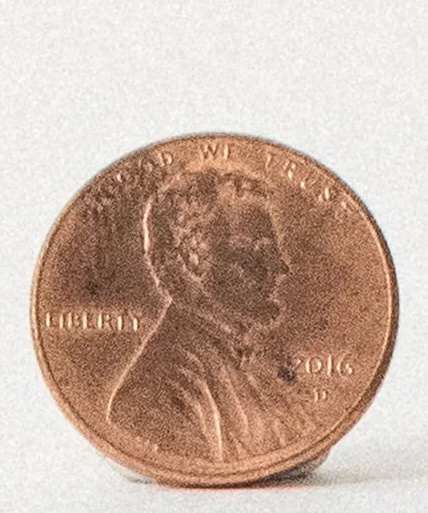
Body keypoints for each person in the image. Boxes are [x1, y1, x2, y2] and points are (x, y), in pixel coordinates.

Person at [111, 165, 305, 467]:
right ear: (193, 258)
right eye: (257, 252)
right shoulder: (154, 395)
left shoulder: (256, 361)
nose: (281, 268)